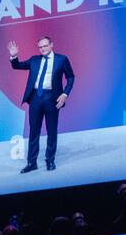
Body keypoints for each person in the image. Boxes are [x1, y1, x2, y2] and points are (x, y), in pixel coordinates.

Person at [7, 35, 75, 172]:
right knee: (34, 131)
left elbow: (71, 77)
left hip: (52, 98)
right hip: (36, 99)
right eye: (40, 47)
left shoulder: (62, 59)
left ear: (51, 45)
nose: (42, 49)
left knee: (51, 130)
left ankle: (50, 160)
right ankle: (32, 163)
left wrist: (65, 93)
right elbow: (18, 66)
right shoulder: (34, 60)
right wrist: (14, 57)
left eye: (45, 46)